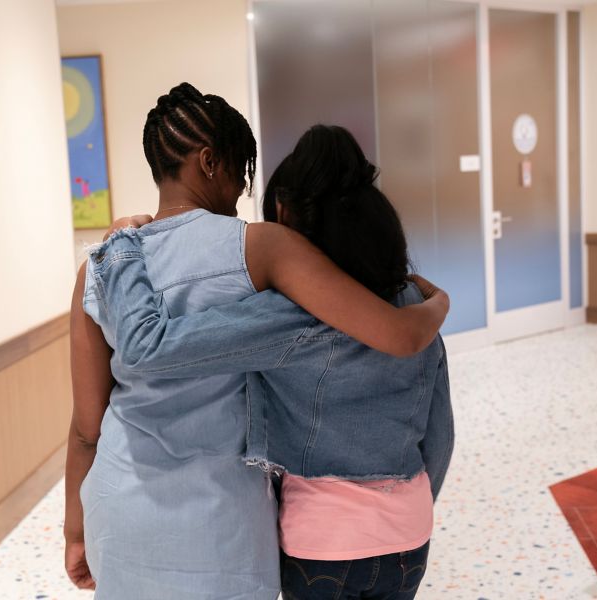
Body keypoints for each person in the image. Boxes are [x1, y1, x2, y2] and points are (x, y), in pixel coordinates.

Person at [65, 85, 449, 599]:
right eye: (242, 174)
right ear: (210, 162)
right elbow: (396, 342)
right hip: (223, 515)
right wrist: (436, 301)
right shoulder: (260, 248)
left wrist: (74, 529)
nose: (242, 195)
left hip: (120, 506)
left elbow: (86, 429)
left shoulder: (102, 264)